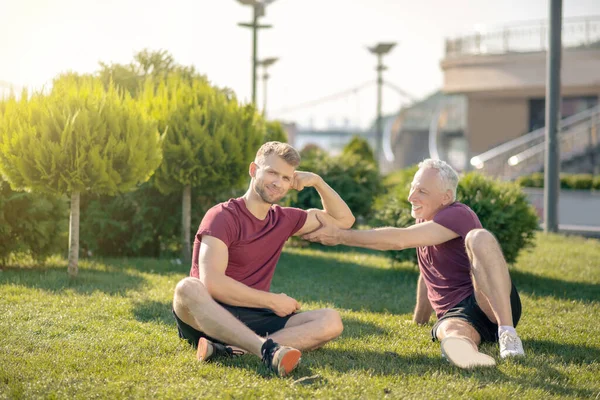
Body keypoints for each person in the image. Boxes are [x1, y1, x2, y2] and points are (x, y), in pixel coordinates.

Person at [302, 158, 525, 369]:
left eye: (422, 191)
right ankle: (467, 353)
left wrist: (341, 236)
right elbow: (429, 273)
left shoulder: (457, 214)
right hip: (458, 314)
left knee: (479, 237)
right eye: (413, 187)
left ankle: (508, 333)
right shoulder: (424, 219)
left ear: (445, 197)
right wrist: (419, 319)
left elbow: (399, 240)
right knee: (451, 332)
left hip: (490, 300)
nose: (411, 197)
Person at [172, 141, 355, 376]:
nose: (278, 183)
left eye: (286, 178)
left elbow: (344, 221)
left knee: (331, 320)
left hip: (254, 317)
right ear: (253, 170)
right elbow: (212, 284)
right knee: (187, 288)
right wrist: (271, 301)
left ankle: (231, 350)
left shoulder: (285, 219)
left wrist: (317, 181)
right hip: (208, 315)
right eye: (272, 172)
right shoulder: (222, 216)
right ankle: (266, 350)